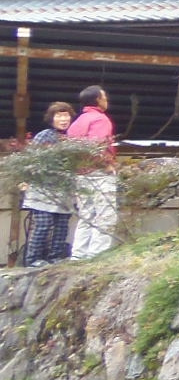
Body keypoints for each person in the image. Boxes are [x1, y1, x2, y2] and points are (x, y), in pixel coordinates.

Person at [19, 100, 75, 266]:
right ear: (51, 118)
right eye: (59, 115)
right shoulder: (45, 135)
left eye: (66, 115)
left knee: (62, 225)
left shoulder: (73, 137)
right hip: (43, 187)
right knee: (43, 225)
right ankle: (33, 259)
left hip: (64, 188)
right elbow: (31, 159)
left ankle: (56, 257)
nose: (64, 119)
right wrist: (25, 179)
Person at [66, 85, 118, 260]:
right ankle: (97, 255)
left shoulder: (76, 123)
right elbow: (97, 146)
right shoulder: (100, 119)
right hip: (98, 173)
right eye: (104, 97)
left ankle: (78, 256)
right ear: (97, 100)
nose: (106, 100)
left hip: (80, 174)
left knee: (86, 215)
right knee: (105, 215)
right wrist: (107, 166)